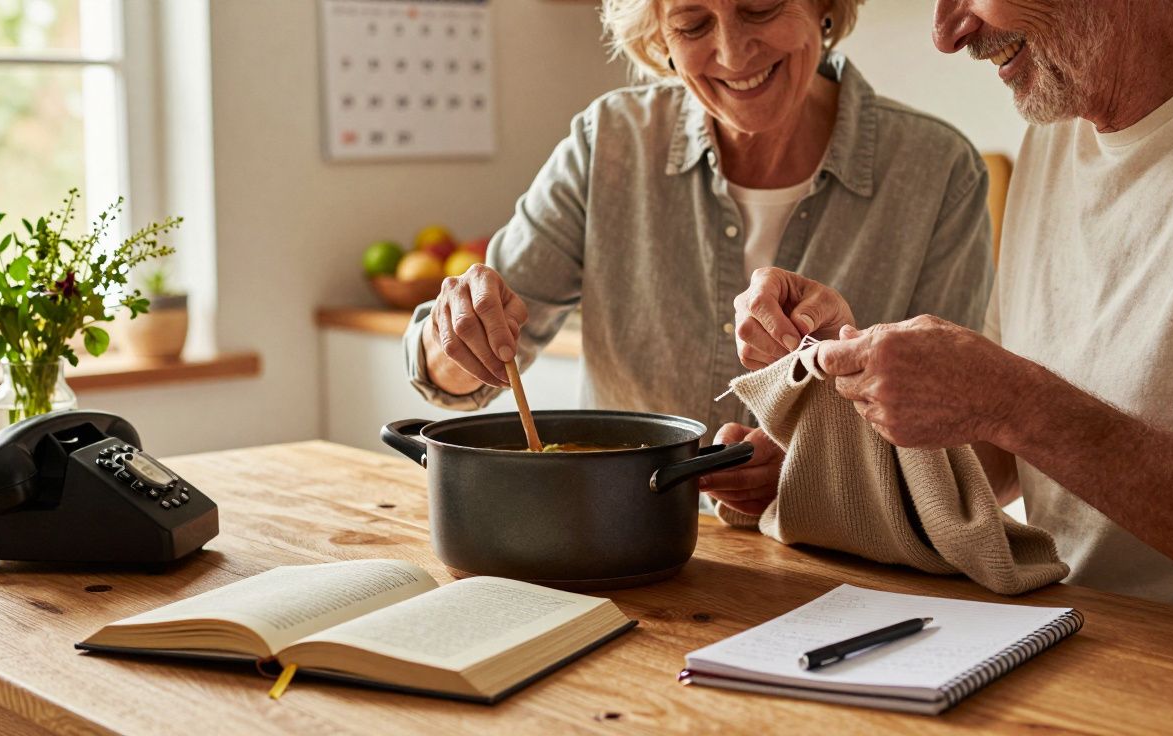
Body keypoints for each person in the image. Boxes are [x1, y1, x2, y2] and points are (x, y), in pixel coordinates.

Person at [737, 0, 1173, 617]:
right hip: (1070, 640)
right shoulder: (1057, 124)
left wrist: (1016, 403)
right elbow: (1007, 459)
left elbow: (1022, 416)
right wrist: (831, 448)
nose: (947, 33)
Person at [404, 0, 994, 514]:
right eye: (691, 25)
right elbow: (457, 373)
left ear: (824, 5)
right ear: (659, 37)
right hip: (617, 543)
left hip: (841, 573)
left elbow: (957, 451)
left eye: (761, 8)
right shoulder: (608, 142)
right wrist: (454, 337)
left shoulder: (938, 169)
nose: (734, 53)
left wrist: (810, 467)